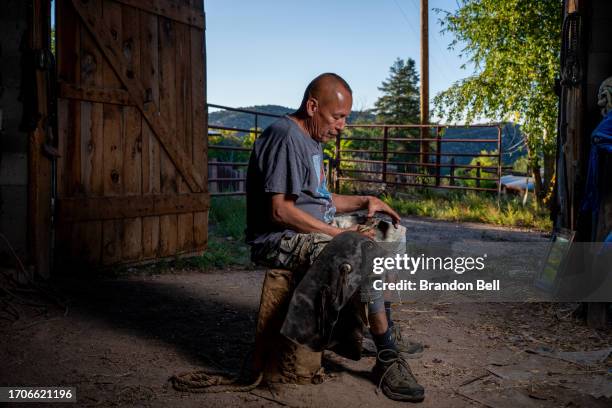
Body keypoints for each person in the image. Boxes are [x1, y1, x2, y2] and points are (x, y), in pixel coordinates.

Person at [246, 73, 424, 402]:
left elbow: (321, 200)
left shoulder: (313, 141)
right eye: (337, 116)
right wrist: (340, 234)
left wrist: (364, 201)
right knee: (362, 248)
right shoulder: (286, 137)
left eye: (346, 118)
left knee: (390, 230)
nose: (342, 126)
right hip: (279, 239)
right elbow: (280, 212)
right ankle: (386, 355)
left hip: (311, 227)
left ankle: (384, 322)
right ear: (313, 106)